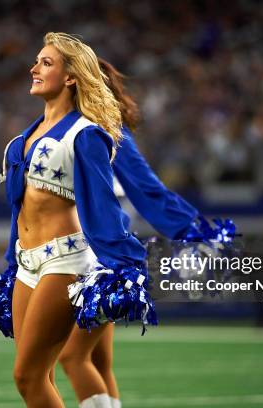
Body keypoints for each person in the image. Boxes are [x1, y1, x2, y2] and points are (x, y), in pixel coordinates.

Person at [0, 32, 153, 408]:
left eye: (46, 63)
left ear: (70, 76)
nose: (34, 68)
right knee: (40, 374)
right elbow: (20, 209)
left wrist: (126, 267)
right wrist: (10, 260)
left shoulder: (86, 134)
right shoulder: (24, 137)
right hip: (26, 262)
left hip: (65, 261)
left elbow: (103, 207)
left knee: (28, 376)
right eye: (36, 61)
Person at [58, 58, 204, 408]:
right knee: (96, 361)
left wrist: (195, 232)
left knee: (72, 357)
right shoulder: (63, 128)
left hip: (97, 259)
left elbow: (148, 189)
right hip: (81, 256)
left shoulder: (101, 131)